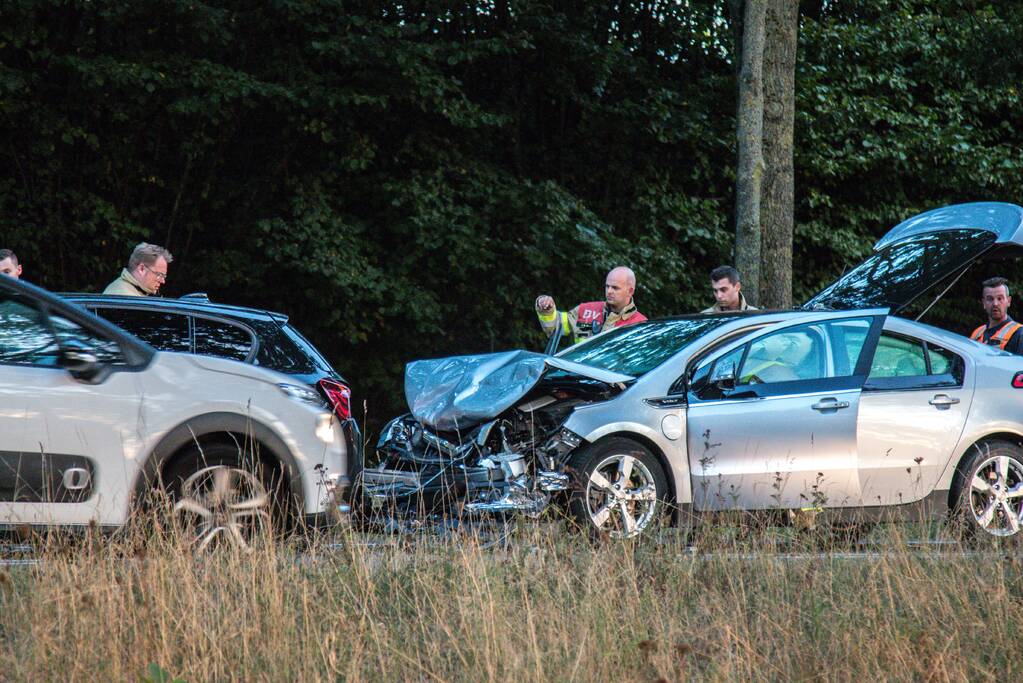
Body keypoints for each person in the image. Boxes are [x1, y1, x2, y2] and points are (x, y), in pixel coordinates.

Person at [535, 266, 647, 345]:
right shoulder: (586, 310)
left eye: (615, 288)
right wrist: (547, 310)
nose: (609, 291)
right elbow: (555, 328)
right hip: (578, 376)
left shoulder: (640, 324)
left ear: (630, 291)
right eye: (607, 286)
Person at [969, 277, 1023, 354]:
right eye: (990, 299)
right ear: (983, 303)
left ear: (1008, 301)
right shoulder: (977, 334)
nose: (995, 303)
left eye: (1000, 298)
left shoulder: (1019, 334)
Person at [103, 242, 172, 296]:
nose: (163, 281)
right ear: (141, 269)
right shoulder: (127, 297)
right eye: (159, 275)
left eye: (164, 276)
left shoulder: (130, 291)